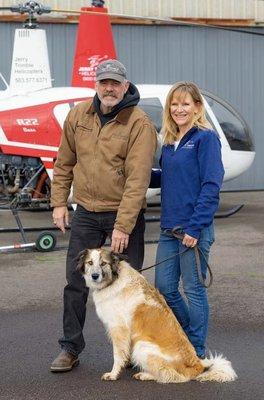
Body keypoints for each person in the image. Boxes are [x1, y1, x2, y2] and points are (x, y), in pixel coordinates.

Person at [50, 59, 157, 372]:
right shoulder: (77, 116)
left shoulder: (139, 123)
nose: (109, 88)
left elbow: (138, 180)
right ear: (95, 85)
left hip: (124, 214)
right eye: (103, 82)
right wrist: (59, 202)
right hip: (85, 211)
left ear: (125, 86)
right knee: (75, 282)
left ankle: (136, 351)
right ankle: (70, 348)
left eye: (115, 83)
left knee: (130, 285)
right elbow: (64, 162)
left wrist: (123, 226)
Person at [151, 81, 224, 359]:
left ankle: (196, 350)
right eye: (174, 103)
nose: (179, 109)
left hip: (194, 229)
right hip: (169, 229)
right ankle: (185, 336)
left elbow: (211, 185)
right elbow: (167, 177)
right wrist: (135, 173)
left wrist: (195, 226)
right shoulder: (170, 143)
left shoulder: (206, 138)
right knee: (165, 287)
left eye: (185, 104)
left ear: (197, 107)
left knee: (193, 289)